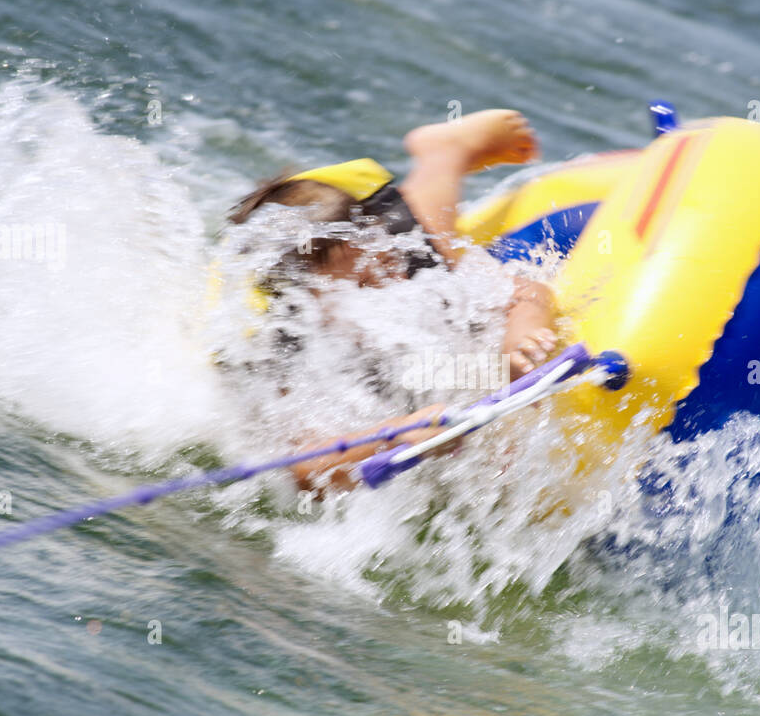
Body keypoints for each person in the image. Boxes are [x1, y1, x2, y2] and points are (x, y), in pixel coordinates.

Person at [227, 109, 560, 493]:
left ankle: (444, 150)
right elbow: (301, 468)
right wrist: (392, 436)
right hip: (286, 301)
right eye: (366, 284)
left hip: (386, 228)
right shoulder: (287, 346)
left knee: (433, 235)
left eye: (386, 262)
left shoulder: (391, 255)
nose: (393, 281)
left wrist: (521, 333)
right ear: (309, 304)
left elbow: (525, 290)